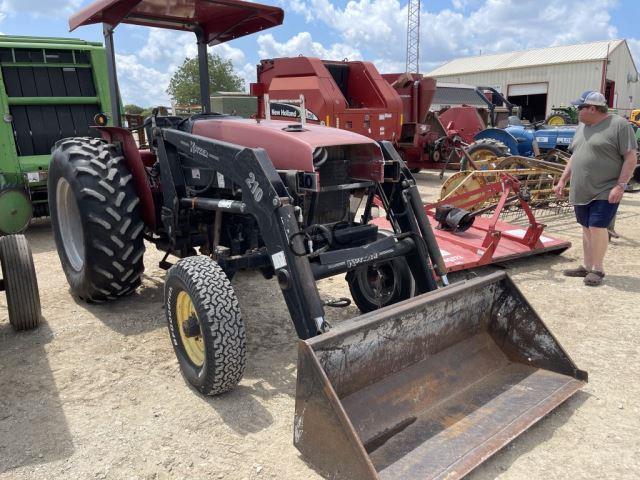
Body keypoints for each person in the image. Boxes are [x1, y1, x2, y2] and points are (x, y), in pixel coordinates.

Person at [553, 91, 637, 286]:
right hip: (581, 189)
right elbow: (575, 156)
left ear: (592, 108)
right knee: (586, 228)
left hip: (606, 188)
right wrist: (562, 180)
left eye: (580, 107)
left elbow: (631, 157)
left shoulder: (619, 125)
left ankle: (598, 270)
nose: (577, 111)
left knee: (597, 227)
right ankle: (587, 266)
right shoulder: (582, 127)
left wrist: (620, 185)